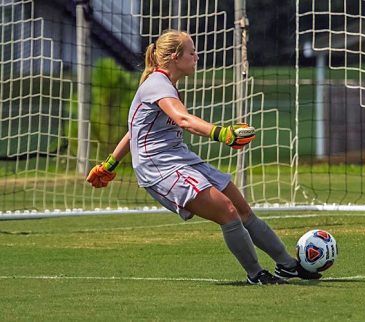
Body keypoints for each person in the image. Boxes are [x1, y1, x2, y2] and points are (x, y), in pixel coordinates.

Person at [86, 30, 320, 285]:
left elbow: (135, 130)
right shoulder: (157, 84)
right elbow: (183, 119)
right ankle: (256, 274)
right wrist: (222, 134)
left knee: (242, 210)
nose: (197, 57)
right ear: (175, 57)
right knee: (227, 211)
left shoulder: (166, 84)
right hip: (159, 166)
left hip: (179, 157)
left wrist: (109, 164)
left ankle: (287, 266)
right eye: (192, 52)